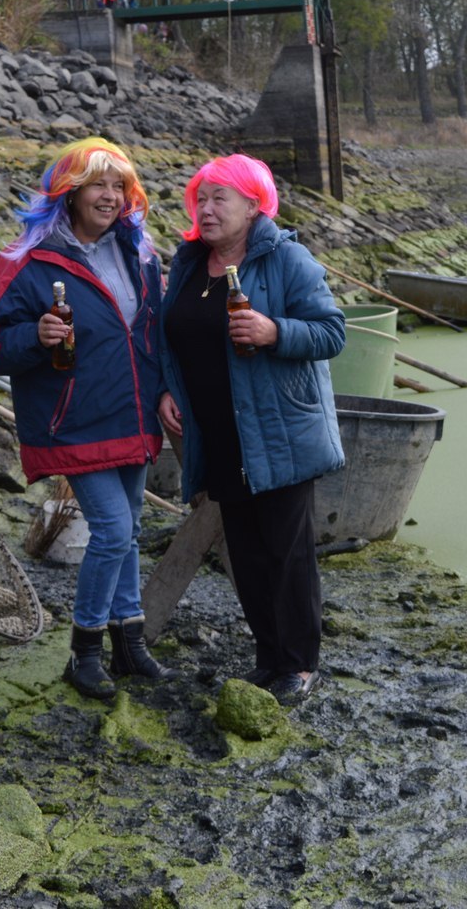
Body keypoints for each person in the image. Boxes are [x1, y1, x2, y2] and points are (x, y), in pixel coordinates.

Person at [0, 137, 173, 702]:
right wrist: (34, 336)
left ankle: (129, 643)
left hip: (132, 413)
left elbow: (153, 337)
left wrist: (166, 392)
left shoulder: (140, 255)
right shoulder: (24, 263)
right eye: (97, 185)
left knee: (129, 531)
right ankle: (84, 653)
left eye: (118, 186)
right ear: (69, 192)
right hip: (72, 421)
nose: (109, 197)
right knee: (113, 530)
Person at [156, 154, 345, 707]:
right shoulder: (190, 262)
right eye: (201, 199)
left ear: (253, 205)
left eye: (220, 199)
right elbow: (175, 338)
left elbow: (332, 333)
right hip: (217, 432)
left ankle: (301, 665)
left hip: (278, 429)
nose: (206, 210)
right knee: (245, 550)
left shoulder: (286, 259)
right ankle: (269, 658)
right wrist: (168, 390)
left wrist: (272, 330)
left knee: (287, 551)